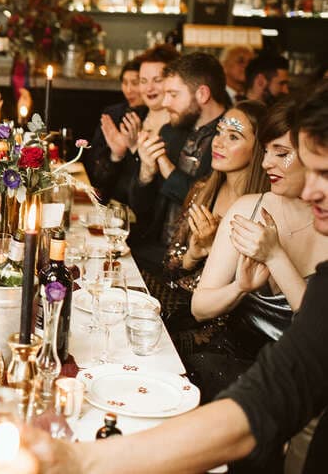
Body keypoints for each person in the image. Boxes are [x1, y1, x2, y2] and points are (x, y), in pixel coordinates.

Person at [30, 83, 328, 474]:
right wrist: (82, 459)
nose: (308, 190)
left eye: (321, 171)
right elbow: (267, 399)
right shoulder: (242, 201)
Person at [188, 97, 328, 404]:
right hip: (236, 352)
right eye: (265, 152)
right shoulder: (249, 209)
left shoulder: (324, 224)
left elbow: (318, 331)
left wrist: (275, 256)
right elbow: (199, 308)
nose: (266, 164)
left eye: (282, 153)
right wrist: (240, 287)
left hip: (299, 371)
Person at [154, 101, 269, 356]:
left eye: (233, 137)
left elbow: (250, 297)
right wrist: (193, 254)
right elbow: (168, 271)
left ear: (259, 149)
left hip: (219, 331)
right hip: (175, 305)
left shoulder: (262, 209)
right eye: (219, 132)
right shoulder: (203, 189)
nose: (218, 143)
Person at [130, 52, 229, 274]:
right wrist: (145, 173)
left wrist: (165, 165)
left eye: (173, 94)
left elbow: (205, 205)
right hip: (153, 250)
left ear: (202, 94)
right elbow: (139, 208)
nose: (165, 103)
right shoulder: (170, 132)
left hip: (197, 263)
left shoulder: (228, 140)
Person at [84, 59, 147, 204]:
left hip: (135, 201)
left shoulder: (153, 118)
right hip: (108, 196)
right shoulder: (112, 114)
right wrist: (115, 156)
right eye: (125, 83)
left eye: (135, 83)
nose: (129, 89)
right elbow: (93, 164)